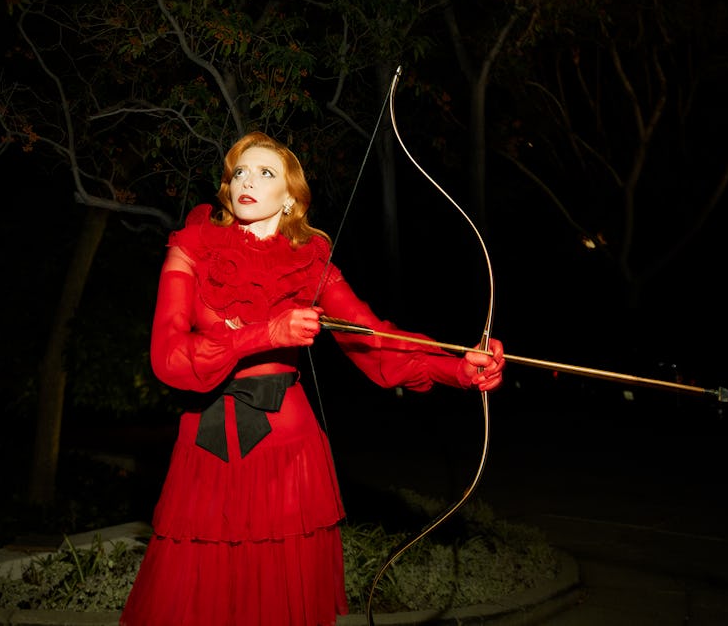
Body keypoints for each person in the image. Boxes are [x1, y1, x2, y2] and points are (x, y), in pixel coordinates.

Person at [119, 131, 505, 626]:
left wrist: (457, 367)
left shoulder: (312, 264)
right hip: (208, 445)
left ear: (291, 198)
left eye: (265, 173)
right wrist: (262, 333)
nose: (247, 182)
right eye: (240, 171)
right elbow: (169, 358)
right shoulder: (191, 249)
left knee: (280, 600)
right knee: (197, 594)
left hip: (289, 449)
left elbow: (374, 339)